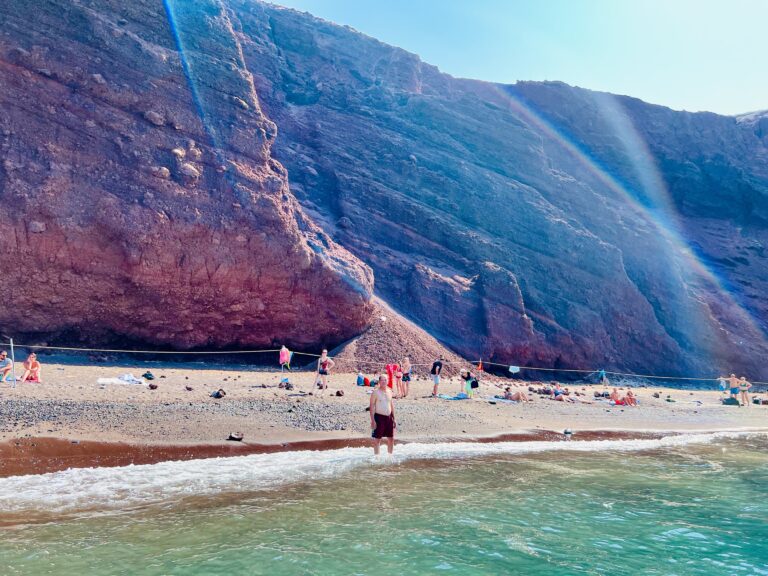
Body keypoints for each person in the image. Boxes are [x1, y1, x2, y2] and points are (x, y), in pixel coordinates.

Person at [370, 373, 396, 455]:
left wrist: (394, 418)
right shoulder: (375, 392)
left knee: (391, 438)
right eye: (382, 380)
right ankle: (377, 458)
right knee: (377, 439)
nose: (384, 381)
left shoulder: (390, 391)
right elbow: (371, 407)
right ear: (379, 381)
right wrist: (373, 420)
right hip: (379, 418)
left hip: (389, 418)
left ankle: (390, 456)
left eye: (385, 380)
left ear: (387, 381)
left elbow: (391, 405)